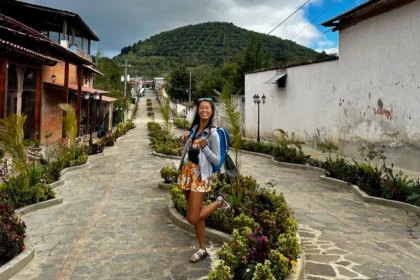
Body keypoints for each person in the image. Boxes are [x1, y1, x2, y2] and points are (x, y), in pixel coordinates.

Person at [178, 97, 231, 263]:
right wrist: (186, 139)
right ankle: (202, 248)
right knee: (197, 214)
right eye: (201, 108)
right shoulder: (194, 128)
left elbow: (217, 160)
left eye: (207, 108)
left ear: (212, 110)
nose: (204, 111)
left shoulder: (214, 133)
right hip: (188, 173)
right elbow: (190, 152)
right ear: (198, 110)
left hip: (201, 176)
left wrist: (204, 146)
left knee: (193, 217)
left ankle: (219, 201)